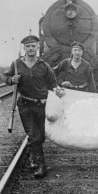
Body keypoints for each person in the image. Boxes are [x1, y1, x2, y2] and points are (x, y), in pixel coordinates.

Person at [4, 35, 65, 178]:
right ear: (24, 48)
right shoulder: (16, 64)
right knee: (34, 135)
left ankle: (33, 155)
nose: (30, 49)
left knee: (41, 136)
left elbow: (52, 83)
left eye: (33, 46)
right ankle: (41, 166)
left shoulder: (44, 65)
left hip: (42, 106)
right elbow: (5, 77)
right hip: (25, 105)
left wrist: (57, 89)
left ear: (38, 47)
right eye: (28, 46)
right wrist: (11, 79)